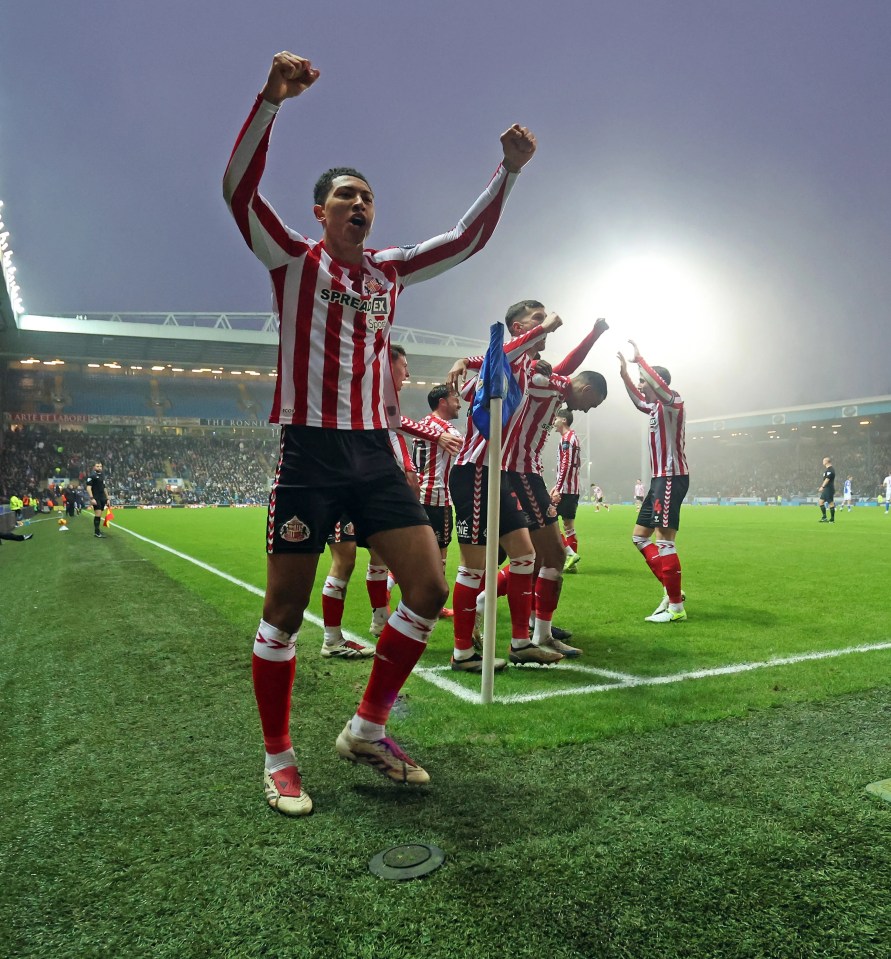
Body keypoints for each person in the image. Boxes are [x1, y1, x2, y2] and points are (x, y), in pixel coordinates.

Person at [223, 50, 537, 816]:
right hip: (310, 450)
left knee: (427, 586)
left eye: (366, 196)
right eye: (345, 196)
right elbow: (237, 190)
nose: (360, 204)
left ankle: (365, 728)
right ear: (320, 212)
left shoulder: (388, 273)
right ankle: (278, 758)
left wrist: (508, 173)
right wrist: (270, 100)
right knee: (283, 613)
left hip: (374, 452)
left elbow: (463, 241)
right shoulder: (292, 261)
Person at [618, 339, 688, 623]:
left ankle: (675, 608)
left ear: (655, 382)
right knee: (639, 536)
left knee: (664, 541)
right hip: (660, 480)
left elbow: (655, 388)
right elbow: (638, 400)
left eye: (643, 382)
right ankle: (674, 592)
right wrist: (625, 374)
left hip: (671, 477)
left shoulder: (674, 402)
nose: (642, 386)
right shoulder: (654, 408)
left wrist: (640, 361)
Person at [412, 384, 465, 614]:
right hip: (437, 497)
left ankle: (390, 585)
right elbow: (468, 453)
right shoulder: (448, 431)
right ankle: (435, 604)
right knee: (439, 553)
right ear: (442, 401)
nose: (459, 403)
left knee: (418, 552)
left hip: (417, 495)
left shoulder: (421, 424)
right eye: (455, 398)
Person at [552, 409, 582, 572]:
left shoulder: (567, 439)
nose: (553, 422)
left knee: (547, 522)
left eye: (555, 418)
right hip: (572, 488)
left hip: (566, 490)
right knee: (568, 525)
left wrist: (558, 487)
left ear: (563, 420)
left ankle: (569, 554)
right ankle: (572, 564)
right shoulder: (573, 437)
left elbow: (566, 464)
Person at [86, 464, 109, 538]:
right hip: (96, 498)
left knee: (100, 514)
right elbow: (88, 488)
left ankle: (98, 530)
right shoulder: (91, 476)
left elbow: (104, 488)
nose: (99, 468)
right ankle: (96, 532)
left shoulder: (102, 476)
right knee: (98, 514)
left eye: (100, 466)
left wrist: (107, 498)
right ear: (94, 467)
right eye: (97, 466)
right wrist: (92, 498)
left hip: (102, 498)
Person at [818, 457, 836, 523]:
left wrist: (822, 486)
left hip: (829, 489)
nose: (822, 462)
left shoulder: (830, 470)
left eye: (823, 460)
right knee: (820, 502)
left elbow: (827, 479)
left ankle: (832, 519)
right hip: (826, 489)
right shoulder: (828, 470)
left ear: (827, 461)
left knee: (831, 503)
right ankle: (824, 517)